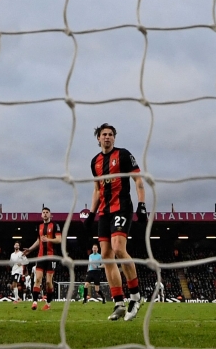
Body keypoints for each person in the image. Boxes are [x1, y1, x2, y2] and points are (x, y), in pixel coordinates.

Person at [85, 123, 146, 321]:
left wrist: (142, 204)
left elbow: (138, 180)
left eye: (111, 134)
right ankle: (119, 303)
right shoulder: (94, 162)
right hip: (104, 212)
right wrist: (91, 214)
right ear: (98, 138)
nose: (107, 137)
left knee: (119, 248)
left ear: (114, 138)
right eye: (104, 134)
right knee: (106, 256)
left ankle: (136, 297)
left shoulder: (123, 155)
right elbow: (96, 189)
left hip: (122, 208)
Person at [23, 207, 61, 311]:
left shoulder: (55, 225)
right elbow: (38, 241)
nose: (45, 214)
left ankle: (48, 303)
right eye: (43, 212)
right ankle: (34, 302)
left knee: (49, 282)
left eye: (47, 212)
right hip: (40, 256)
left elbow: (59, 240)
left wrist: (48, 239)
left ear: (50, 214)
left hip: (51, 256)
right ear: (41, 215)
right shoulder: (39, 226)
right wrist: (30, 250)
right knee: (38, 279)